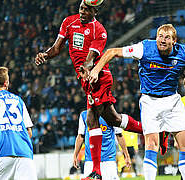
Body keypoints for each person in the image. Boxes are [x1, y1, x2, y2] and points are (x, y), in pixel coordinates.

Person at [88, 24, 185, 180]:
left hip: (172, 101)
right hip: (150, 101)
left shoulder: (183, 52)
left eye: (166, 37)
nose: (162, 40)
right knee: (151, 145)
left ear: (174, 40)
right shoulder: (145, 48)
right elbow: (112, 52)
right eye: (159, 36)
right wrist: (95, 70)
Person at [34, 1, 142, 179]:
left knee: (91, 119)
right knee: (114, 119)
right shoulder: (68, 22)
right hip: (86, 79)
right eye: (81, 8)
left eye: (87, 9)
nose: (82, 12)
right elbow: (56, 48)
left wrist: (85, 69)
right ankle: (151, 132)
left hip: (99, 77)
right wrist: (45, 55)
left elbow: (91, 58)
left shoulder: (99, 31)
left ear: (95, 11)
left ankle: (96, 172)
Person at [73, 110, 131, 180]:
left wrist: (126, 155)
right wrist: (75, 155)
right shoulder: (84, 115)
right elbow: (80, 136)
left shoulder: (112, 115)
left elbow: (119, 135)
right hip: (90, 161)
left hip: (108, 160)